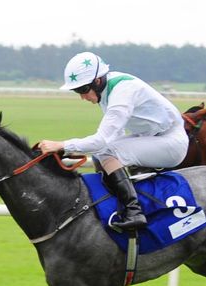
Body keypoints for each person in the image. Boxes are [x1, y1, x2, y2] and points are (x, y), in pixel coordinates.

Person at [38, 52, 187, 230]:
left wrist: (62, 145)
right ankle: (112, 204)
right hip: (154, 137)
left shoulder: (122, 91)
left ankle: (134, 211)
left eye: (83, 90)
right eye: (77, 91)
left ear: (97, 81)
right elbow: (113, 136)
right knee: (102, 153)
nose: (82, 97)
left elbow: (101, 141)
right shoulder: (107, 89)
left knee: (105, 151)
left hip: (170, 142)